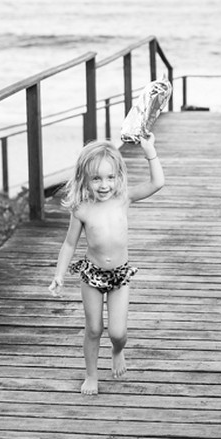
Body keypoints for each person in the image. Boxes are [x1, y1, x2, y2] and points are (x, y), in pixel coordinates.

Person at [49, 136, 164, 395]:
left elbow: (158, 183)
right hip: (92, 274)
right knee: (93, 328)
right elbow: (69, 244)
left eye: (110, 177)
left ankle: (117, 350)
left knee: (117, 332)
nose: (104, 185)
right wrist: (59, 275)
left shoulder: (123, 198)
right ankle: (91, 375)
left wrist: (150, 151)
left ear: (119, 176)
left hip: (120, 276)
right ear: (84, 179)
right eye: (96, 179)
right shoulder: (81, 209)